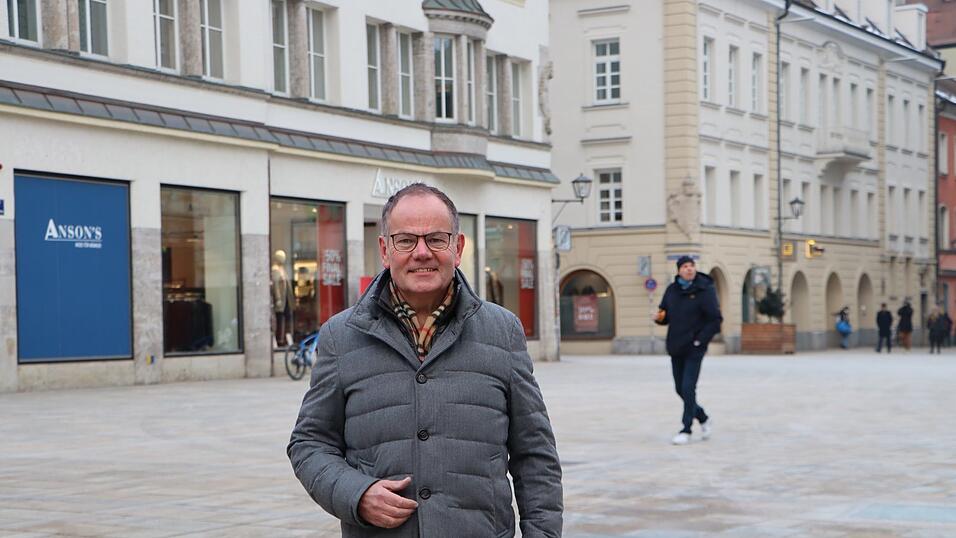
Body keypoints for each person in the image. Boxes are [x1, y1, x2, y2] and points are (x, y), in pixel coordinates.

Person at [287, 184, 563, 537]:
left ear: (457, 248)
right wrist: (357, 494)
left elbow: (535, 455)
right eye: (405, 240)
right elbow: (309, 444)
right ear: (385, 250)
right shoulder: (341, 337)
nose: (421, 252)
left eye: (436, 239)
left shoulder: (502, 331)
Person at [652, 256, 723, 446]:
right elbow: (665, 314)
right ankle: (703, 418)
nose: (689, 269)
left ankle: (686, 429)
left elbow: (715, 320)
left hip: (695, 348)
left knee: (688, 387)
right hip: (676, 346)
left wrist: (700, 341)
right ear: (679, 270)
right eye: (685, 266)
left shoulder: (704, 289)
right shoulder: (672, 290)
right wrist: (659, 318)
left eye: (692, 266)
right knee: (679, 389)